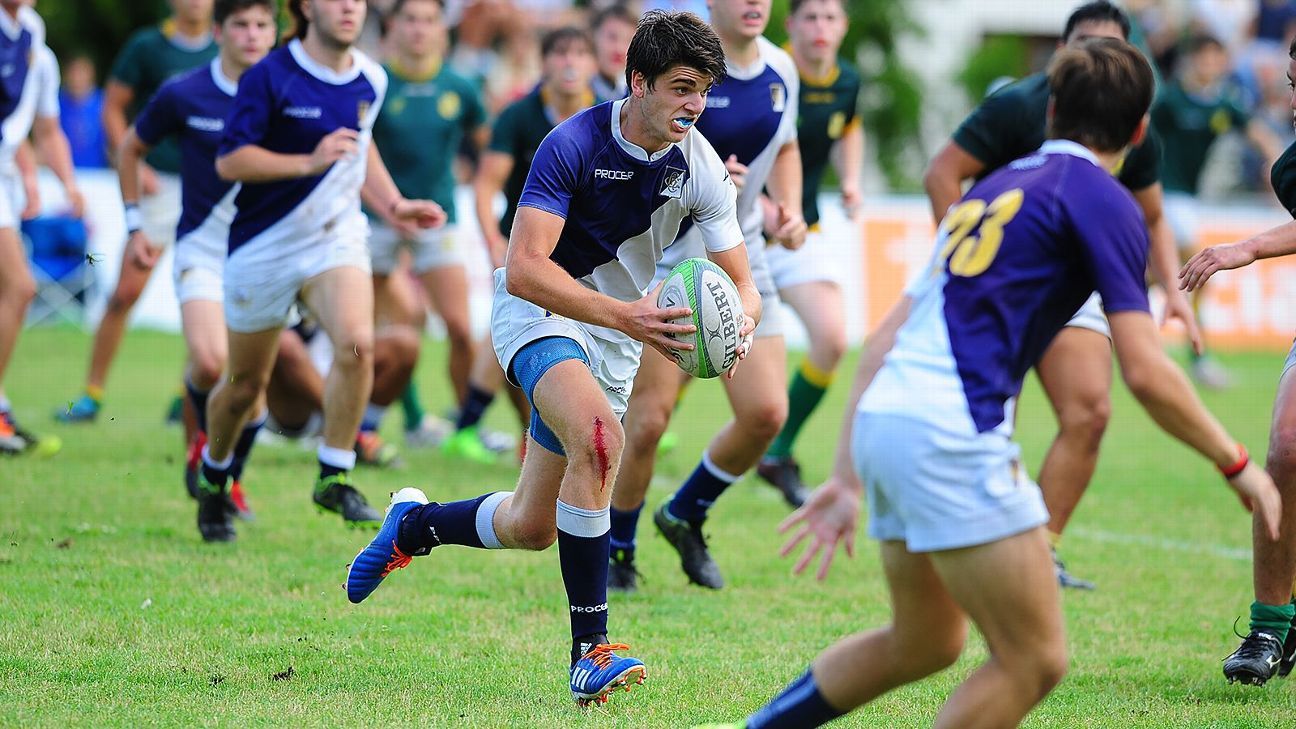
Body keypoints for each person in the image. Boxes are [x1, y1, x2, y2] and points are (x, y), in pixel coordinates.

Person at [735, 38, 1281, 729]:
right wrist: (1237, 463)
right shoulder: (1107, 202)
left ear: (1049, 110)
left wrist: (846, 474)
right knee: (1035, 657)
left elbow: (881, 339)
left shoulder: (992, 186)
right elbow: (1143, 369)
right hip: (950, 432)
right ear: (1141, 131)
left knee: (925, 640)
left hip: (888, 420)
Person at [344, 9, 757, 705]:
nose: (696, 105)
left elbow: (742, 282)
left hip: (619, 338)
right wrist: (625, 314)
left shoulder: (702, 167)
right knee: (601, 437)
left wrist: (740, 325)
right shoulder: (571, 143)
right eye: (683, 88)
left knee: (531, 525)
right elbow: (526, 266)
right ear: (638, 81)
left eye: (704, 90)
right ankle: (588, 652)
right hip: (540, 311)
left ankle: (413, 525)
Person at [922, 0, 1197, 590]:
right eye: (1085, 49)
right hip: (1003, 282)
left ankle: (1039, 554)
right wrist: (967, 261)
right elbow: (942, 172)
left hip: (1075, 285)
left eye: (1111, 51)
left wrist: (1174, 288)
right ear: (1060, 57)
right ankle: (977, 545)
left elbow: (1153, 216)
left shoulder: (1128, 117)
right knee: (996, 419)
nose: (1097, 65)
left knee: (1090, 412)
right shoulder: (1017, 105)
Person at [194, 0, 445, 542]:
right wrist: (307, 162)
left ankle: (334, 472)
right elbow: (230, 160)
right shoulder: (270, 76)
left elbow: (361, 148)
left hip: (335, 237)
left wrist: (394, 204)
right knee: (243, 387)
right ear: (307, 7)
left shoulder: (371, 78)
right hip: (263, 247)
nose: (351, 7)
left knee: (358, 342)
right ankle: (214, 478)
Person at [608, 0, 804, 592]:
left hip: (741, 254)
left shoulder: (781, 71)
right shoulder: (673, 66)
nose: (753, 4)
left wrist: (787, 207)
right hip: (667, 259)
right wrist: (706, 183)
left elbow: (787, 145)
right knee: (646, 424)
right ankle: (618, 549)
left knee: (767, 413)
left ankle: (686, 511)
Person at [121, 0, 277, 518]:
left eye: (263, 25)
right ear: (218, 31)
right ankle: (200, 447)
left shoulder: (291, 94)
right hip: (202, 250)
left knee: (252, 390)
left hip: (264, 255)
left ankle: (225, 476)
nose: (253, 36)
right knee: (211, 364)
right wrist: (133, 224)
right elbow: (129, 148)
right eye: (241, 25)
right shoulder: (185, 91)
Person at [1180, 35, 1296, 687]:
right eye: (1290, 78)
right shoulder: (1290, 168)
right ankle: (1271, 629)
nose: (1292, 95)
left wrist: (1249, 246)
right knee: (1285, 448)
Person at [436, 24, 598, 463]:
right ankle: (470, 425)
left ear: (594, 63)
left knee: (556, 342)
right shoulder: (519, 116)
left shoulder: (609, 113)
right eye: (560, 53)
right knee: (514, 333)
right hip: (526, 247)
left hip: (589, 254)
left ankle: (536, 434)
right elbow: (487, 183)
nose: (569, 63)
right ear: (543, 63)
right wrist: (494, 239)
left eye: (579, 53)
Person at [59, 0, 218, 424]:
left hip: (214, 190)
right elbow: (112, 108)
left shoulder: (228, 45)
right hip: (159, 185)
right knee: (126, 291)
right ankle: (92, 392)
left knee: (208, 295)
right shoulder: (148, 46)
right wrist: (135, 161)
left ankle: (183, 394)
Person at [756, 0, 862, 505]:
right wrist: (763, 205)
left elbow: (851, 125)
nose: (820, 27)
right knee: (695, 352)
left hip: (802, 231)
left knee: (832, 338)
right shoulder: (767, 71)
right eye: (811, 17)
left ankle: (778, 452)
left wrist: (853, 181)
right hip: (735, 232)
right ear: (791, 24)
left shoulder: (848, 80)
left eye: (830, 18)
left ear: (843, 28)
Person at [368, 0, 486, 452]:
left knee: (459, 326)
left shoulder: (460, 87)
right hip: (377, 219)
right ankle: (407, 420)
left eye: (429, 20)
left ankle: (465, 429)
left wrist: (469, 178)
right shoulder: (375, 82)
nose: (419, 29)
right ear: (393, 27)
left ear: (443, 29)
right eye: (410, 20)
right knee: (386, 330)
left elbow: (485, 146)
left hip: (439, 218)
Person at [1155, 33, 1283, 389]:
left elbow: (1257, 132)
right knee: (1192, 269)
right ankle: (1198, 358)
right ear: (1193, 60)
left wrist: (1274, 157)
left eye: (1216, 58)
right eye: (1204, 57)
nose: (1210, 64)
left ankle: (1111, 313)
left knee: (1167, 276)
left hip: (1187, 199)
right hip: (1163, 195)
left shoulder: (1223, 103)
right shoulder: (1170, 100)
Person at [0, 0, 83, 454]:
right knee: (18, 287)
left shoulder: (33, 40)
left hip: (5, 177)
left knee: (15, 290)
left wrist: (59, 182)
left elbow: (45, 130)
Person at [263, 318, 420, 448]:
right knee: (283, 342)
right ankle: (357, 437)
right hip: (293, 405)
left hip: (342, 373)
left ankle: (365, 431)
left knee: (405, 342)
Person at [59, 54, 108, 169]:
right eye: (74, 73)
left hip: (98, 175)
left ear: (91, 76)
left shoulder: (103, 104)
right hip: (65, 171)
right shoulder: (56, 103)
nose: (77, 79)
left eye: (81, 74)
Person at [590, 3, 634, 103]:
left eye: (628, 40)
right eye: (612, 37)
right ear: (593, 37)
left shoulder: (637, 94)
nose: (619, 49)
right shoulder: (577, 89)